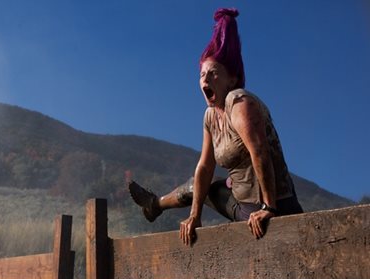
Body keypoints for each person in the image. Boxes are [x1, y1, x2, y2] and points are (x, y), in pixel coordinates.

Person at [129, 8, 303, 246]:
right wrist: (194, 216)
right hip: (243, 207)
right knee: (199, 184)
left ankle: (153, 204)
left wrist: (268, 207)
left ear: (232, 79)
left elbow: (260, 152)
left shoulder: (239, 102)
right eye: (202, 75)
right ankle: (154, 205)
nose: (205, 80)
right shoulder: (210, 116)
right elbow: (205, 166)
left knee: (202, 187)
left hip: (275, 208)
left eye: (213, 74)